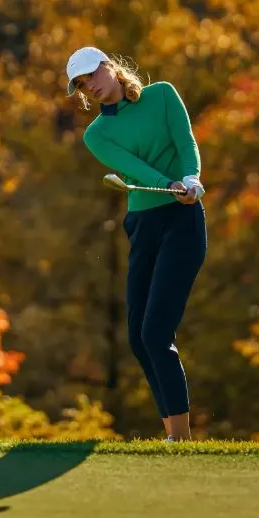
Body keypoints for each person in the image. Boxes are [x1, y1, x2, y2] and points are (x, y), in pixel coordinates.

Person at [65, 46, 207, 442]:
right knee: (138, 338)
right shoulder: (97, 135)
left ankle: (181, 438)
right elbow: (136, 170)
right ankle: (173, 434)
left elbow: (185, 143)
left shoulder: (162, 94)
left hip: (183, 222)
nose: (90, 86)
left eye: (92, 75)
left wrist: (190, 179)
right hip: (143, 225)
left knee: (156, 333)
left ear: (110, 66)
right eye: (82, 84)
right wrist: (168, 184)